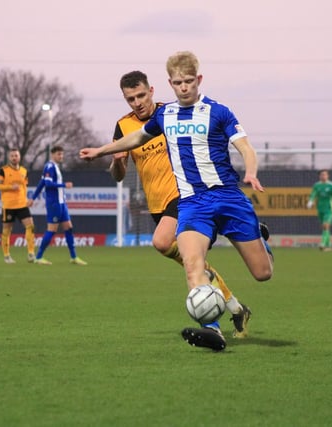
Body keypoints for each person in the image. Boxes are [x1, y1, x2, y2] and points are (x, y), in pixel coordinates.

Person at [80, 51, 274, 351]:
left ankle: (261, 241)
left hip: (227, 197)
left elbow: (246, 147)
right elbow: (136, 139)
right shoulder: (164, 115)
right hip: (192, 203)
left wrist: (250, 172)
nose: (183, 87)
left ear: (198, 80)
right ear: (170, 83)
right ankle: (212, 330)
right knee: (191, 263)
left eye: (188, 81)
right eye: (177, 83)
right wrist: (101, 151)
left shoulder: (219, 112)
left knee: (263, 273)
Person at [110, 70, 257, 338]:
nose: (137, 102)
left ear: (152, 90)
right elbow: (118, 176)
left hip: (186, 196)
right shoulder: (124, 126)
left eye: (141, 95)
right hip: (158, 205)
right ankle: (236, 308)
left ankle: (212, 326)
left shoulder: (172, 114)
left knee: (162, 242)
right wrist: (117, 161)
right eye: (130, 99)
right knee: (195, 265)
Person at [29, 146, 87, 266]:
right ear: (53, 155)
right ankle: (38, 257)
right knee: (52, 229)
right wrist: (64, 185)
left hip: (61, 202)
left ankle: (73, 257)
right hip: (54, 203)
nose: (61, 156)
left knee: (69, 227)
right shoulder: (50, 166)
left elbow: (41, 183)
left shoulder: (54, 167)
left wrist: (32, 198)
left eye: (62, 154)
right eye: (59, 154)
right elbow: (48, 184)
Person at [0, 148, 36, 264]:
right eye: (12, 156)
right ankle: (7, 256)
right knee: (6, 231)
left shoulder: (24, 171)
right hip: (8, 206)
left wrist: (27, 199)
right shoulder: (2, 171)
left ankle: (31, 253)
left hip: (22, 204)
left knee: (30, 226)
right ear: (9, 157)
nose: (14, 158)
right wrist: (10, 187)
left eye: (16, 155)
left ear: (19, 157)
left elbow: (24, 187)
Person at [306, 169, 332, 251]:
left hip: (329, 209)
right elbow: (313, 194)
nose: (323, 176)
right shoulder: (317, 185)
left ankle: (322, 243)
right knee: (324, 227)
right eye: (322, 175)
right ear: (319, 176)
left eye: (325, 174)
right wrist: (311, 201)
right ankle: (328, 245)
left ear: (328, 176)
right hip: (320, 209)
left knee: (326, 226)